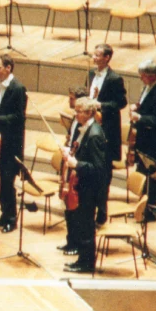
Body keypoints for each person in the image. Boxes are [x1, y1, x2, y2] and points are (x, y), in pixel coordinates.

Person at [62, 96, 110, 273]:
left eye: (79, 111)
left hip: (90, 189)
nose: (76, 114)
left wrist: (77, 164)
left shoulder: (95, 134)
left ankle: (87, 263)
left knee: (86, 226)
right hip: (83, 185)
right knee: (82, 224)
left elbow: (98, 168)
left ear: (89, 113)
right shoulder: (86, 129)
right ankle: (82, 260)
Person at [0, 56, 27, 233]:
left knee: (7, 182)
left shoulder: (17, 88)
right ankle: (4, 214)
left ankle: (11, 219)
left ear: (8, 68)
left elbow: (19, 117)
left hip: (10, 144)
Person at [127, 60, 156, 218]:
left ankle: (150, 210)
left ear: (153, 76)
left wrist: (140, 117)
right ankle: (142, 207)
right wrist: (137, 107)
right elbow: (147, 106)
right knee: (142, 173)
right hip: (143, 138)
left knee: (151, 177)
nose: (141, 78)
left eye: (143, 75)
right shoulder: (148, 86)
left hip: (153, 141)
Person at [86, 43, 127, 166]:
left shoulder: (115, 78)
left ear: (107, 57)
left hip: (105, 123)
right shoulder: (91, 73)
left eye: (97, 55)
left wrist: (101, 105)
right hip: (89, 119)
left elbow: (121, 102)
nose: (94, 57)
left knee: (103, 162)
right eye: (94, 54)